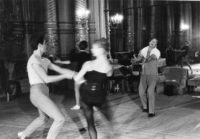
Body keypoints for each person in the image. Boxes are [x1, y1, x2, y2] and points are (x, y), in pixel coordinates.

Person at [18, 35, 76, 139]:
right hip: (37, 93)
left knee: (43, 118)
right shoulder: (33, 60)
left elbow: (60, 69)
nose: (47, 45)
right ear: (40, 45)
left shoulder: (44, 60)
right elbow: (46, 79)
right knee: (60, 119)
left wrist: (73, 73)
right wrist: (65, 76)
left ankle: (24, 134)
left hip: (43, 92)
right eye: (46, 43)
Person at [74, 38, 113, 139]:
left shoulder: (88, 64)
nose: (91, 50)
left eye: (94, 48)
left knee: (90, 125)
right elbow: (108, 76)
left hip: (86, 96)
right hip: (99, 97)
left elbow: (77, 78)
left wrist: (85, 82)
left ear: (101, 50)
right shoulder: (108, 66)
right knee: (109, 122)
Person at [133, 38, 160, 117]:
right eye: (151, 41)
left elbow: (151, 58)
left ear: (156, 45)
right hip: (144, 74)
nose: (152, 42)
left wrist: (143, 60)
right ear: (149, 42)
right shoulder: (143, 49)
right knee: (141, 92)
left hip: (152, 75)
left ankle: (151, 112)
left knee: (150, 92)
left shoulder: (156, 51)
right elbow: (138, 58)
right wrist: (136, 59)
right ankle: (145, 106)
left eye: (154, 42)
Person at [70, 40, 91, 110]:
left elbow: (70, 61)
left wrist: (59, 61)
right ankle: (92, 105)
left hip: (79, 73)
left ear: (79, 47)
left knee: (77, 89)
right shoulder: (88, 55)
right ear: (86, 47)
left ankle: (78, 105)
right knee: (89, 90)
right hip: (87, 74)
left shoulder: (78, 55)